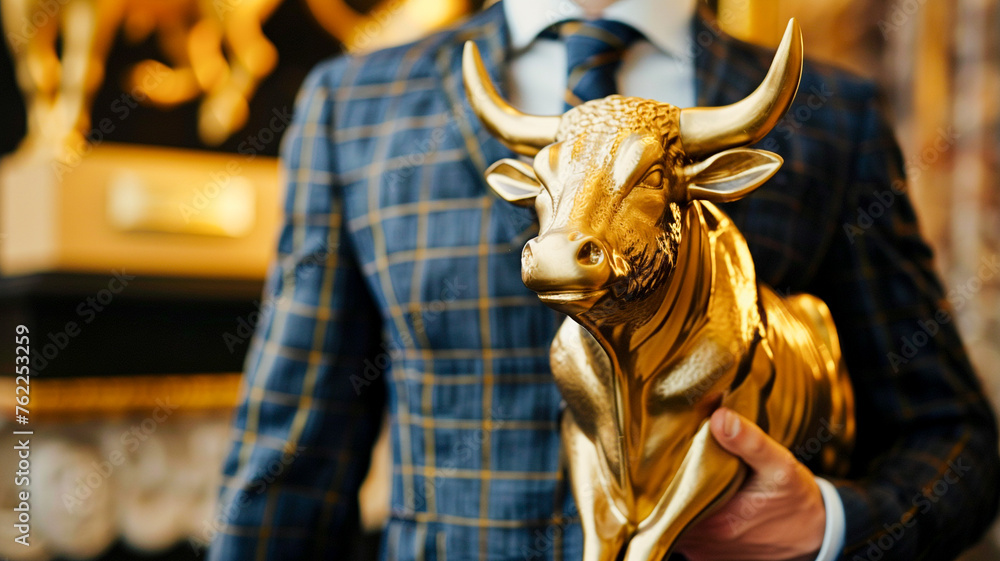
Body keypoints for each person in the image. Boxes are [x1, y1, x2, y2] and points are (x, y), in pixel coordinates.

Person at [207, 0, 1000, 559]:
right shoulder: (354, 107)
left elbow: (956, 440)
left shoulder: (830, 113)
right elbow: (292, 458)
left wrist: (826, 525)